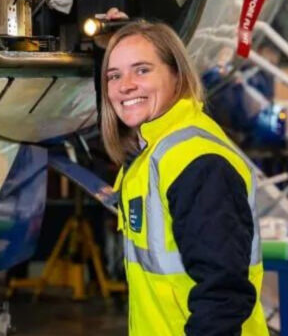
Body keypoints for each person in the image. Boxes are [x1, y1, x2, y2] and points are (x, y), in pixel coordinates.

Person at [100, 20, 268, 336]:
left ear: (176, 75)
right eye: (114, 75)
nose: (125, 85)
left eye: (142, 70)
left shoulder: (196, 162)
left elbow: (223, 296)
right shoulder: (150, 157)